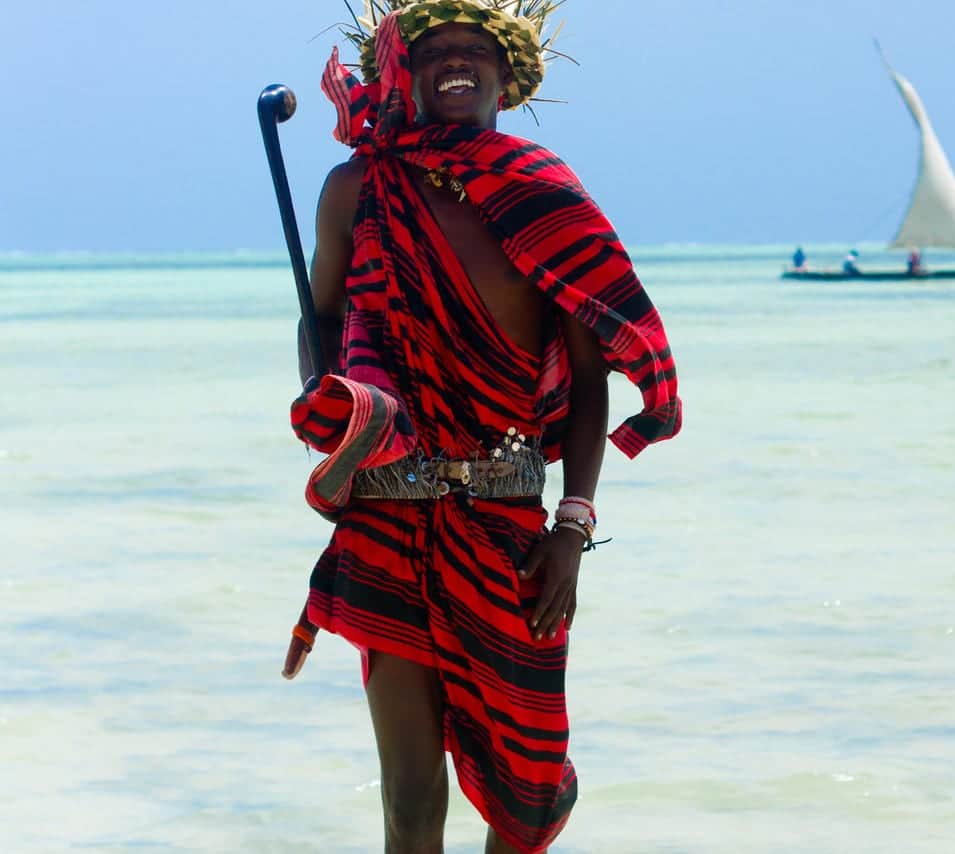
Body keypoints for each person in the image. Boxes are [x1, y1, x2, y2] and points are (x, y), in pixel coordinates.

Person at [286, 3, 682, 852]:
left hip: (509, 527)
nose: (456, 62)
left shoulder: (545, 195)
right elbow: (319, 323)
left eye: (475, 50)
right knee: (410, 799)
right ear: (404, 75)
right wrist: (332, 408)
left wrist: (573, 526)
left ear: (507, 77)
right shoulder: (357, 187)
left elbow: (587, 381)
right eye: (435, 51)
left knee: (528, 796)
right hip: (387, 515)